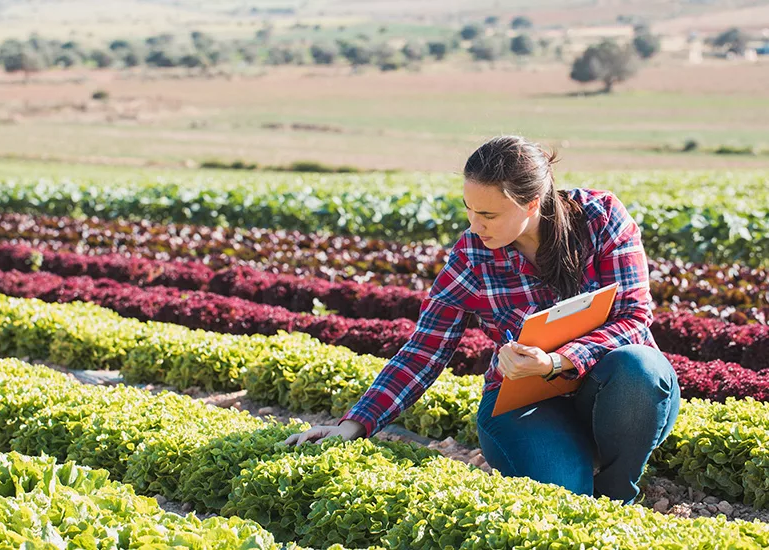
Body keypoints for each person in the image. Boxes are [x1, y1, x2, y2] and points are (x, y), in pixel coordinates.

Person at [284, 135, 680, 505]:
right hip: (525, 403)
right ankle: (571, 464)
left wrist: (559, 360)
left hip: (617, 391)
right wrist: (354, 424)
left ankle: (616, 495)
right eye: (469, 211)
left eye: (488, 213)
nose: (475, 226)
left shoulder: (600, 218)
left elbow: (633, 317)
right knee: (565, 495)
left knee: (640, 366)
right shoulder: (472, 256)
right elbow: (424, 350)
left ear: (532, 203)